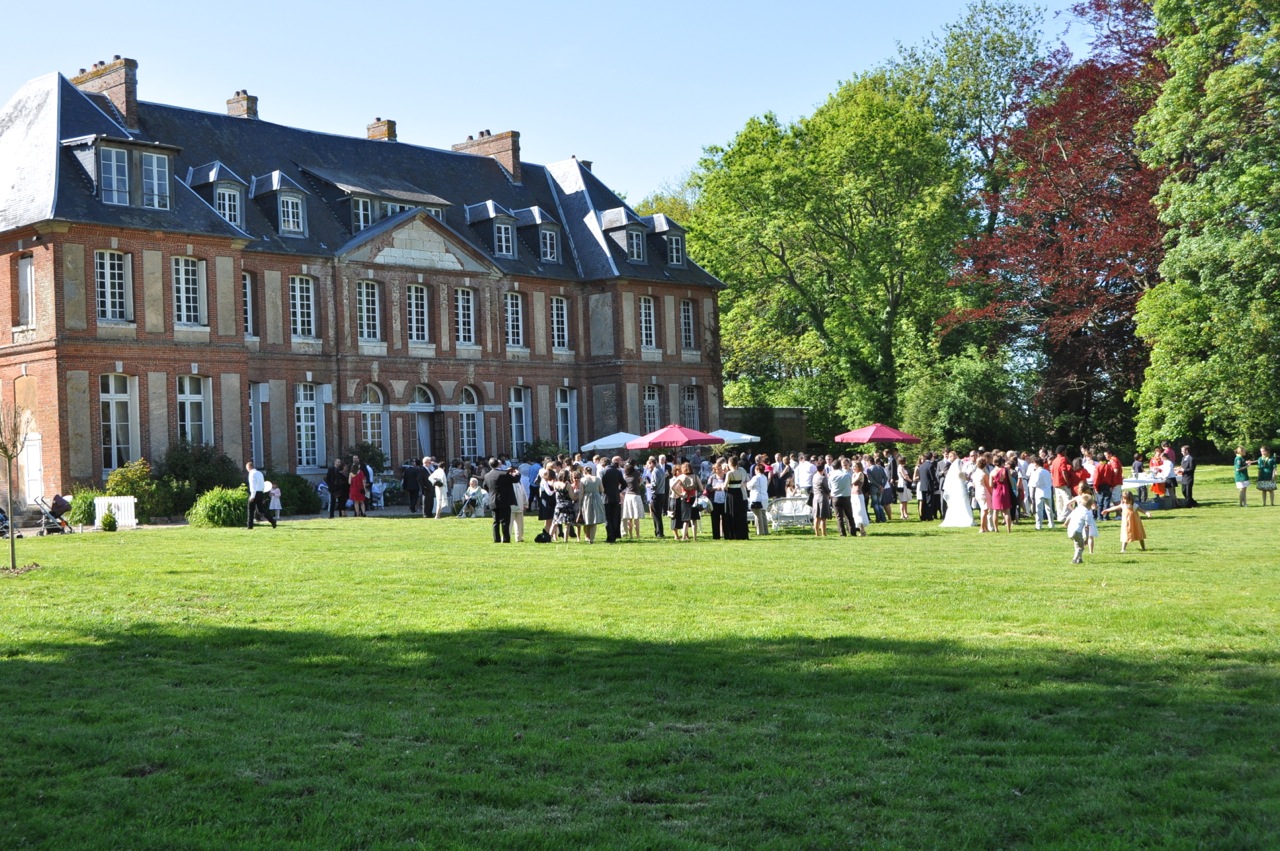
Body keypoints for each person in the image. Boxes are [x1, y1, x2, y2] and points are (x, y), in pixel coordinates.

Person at [483, 457, 516, 543]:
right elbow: (515, 480)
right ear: (498, 464)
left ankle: (496, 539)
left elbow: (485, 486)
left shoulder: (487, 475)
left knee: (495, 521)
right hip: (504, 499)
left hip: (493, 499)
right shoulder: (503, 474)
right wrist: (517, 473)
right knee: (505, 520)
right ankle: (505, 539)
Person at [940, 451, 974, 528]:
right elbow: (960, 474)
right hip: (960, 486)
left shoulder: (953, 464)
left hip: (956, 486)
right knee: (963, 501)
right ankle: (964, 518)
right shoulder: (958, 462)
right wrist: (967, 477)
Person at [670, 462, 700, 542]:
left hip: (685, 498)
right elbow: (701, 487)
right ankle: (694, 538)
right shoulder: (695, 476)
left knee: (686, 520)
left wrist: (679, 494)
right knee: (694, 520)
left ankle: (683, 537)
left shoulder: (681, 477)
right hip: (693, 498)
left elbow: (672, 487)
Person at [1065, 493, 1097, 564]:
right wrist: (1087, 538)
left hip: (1070, 530)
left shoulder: (1077, 509)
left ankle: (1080, 559)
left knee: (1077, 544)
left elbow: (1069, 517)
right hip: (1077, 532)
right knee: (1081, 547)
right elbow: (1087, 527)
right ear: (1090, 505)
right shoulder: (1087, 513)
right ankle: (1074, 559)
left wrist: (1066, 524)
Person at [578, 463, 606, 543]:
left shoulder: (583, 480)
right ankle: (592, 539)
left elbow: (581, 493)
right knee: (594, 519)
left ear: (584, 472)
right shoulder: (597, 479)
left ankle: (587, 537)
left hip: (587, 498)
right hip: (597, 498)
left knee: (587, 517)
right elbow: (602, 490)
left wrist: (580, 503)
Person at [601, 456, 625, 543]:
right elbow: (624, 484)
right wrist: (618, 490)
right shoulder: (617, 471)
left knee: (608, 518)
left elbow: (601, 485)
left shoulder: (603, 472)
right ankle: (615, 534)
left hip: (606, 497)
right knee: (615, 517)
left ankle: (610, 536)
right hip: (615, 497)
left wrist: (603, 491)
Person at [829, 457, 855, 537]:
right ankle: (852, 531)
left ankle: (842, 533)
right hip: (846, 496)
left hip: (836, 497)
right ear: (840, 466)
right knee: (849, 515)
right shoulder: (846, 475)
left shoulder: (831, 476)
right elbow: (850, 484)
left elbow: (830, 487)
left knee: (839, 517)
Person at [621, 458, 646, 540]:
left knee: (629, 517)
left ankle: (631, 535)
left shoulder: (625, 473)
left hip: (628, 495)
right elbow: (640, 481)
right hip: (635, 495)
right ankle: (637, 535)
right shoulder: (637, 473)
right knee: (636, 517)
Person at [245, 460, 275, 529]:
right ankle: (272, 520)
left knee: (250, 509)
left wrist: (252, 496)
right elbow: (262, 484)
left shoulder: (251, 474)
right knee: (260, 510)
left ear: (248, 467)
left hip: (254, 492)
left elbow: (253, 485)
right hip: (261, 492)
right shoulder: (260, 473)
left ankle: (250, 526)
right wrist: (262, 493)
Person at [1028, 457, 1054, 530]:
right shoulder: (1047, 471)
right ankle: (1051, 523)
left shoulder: (1037, 472)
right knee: (1049, 509)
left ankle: (1038, 525)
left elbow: (1035, 483)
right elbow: (1050, 482)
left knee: (1039, 509)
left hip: (1040, 491)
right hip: (1048, 491)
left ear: (1036, 463)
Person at [989, 456, 1013, 533]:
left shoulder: (992, 472)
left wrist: (995, 482)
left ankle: (996, 529)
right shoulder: (1006, 470)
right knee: (1007, 511)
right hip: (1005, 490)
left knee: (995, 511)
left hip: (996, 491)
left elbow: (990, 485)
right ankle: (1008, 529)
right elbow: (1011, 481)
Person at [1050, 446, 1072, 522]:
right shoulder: (1063, 459)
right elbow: (1064, 471)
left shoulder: (1055, 460)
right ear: (1062, 451)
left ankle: (1060, 517)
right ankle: (1065, 516)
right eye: (1065, 451)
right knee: (1068, 500)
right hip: (1062, 482)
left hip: (1055, 483)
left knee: (1059, 501)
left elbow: (1052, 472)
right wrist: (1067, 482)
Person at [649, 456, 669, 538]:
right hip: (662, 494)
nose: (648, 466)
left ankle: (659, 532)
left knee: (656, 515)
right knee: (658, 514)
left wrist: (648, 485)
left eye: (648, 464)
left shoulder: (655, 471)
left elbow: (654, 484)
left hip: (656, 494)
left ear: (652, 463)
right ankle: (658, 532)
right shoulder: (661, 470)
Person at [748, 462, 770, 535]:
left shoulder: (756, 477)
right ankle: (765, 531)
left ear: (757, 469)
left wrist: (746, 483)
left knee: (758, 515)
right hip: (764, 497)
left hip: (757, 498)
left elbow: (749, 486)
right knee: (763, 515)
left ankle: (760, 532)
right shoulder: (764, 477)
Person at [810, 461, 832, 537]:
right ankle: (824, 533)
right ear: (823, 469)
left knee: (816, 517)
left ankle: (817, 533)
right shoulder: (823, 478)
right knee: (823, 518)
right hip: (823, 498)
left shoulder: (814, 476)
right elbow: (827, 488)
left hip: (815, 498)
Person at [508, 467, 527, 542]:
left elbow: (523, 493)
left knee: (520, 524)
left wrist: (525, 503)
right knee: (509, 523)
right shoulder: (508, 482)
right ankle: (507, 536)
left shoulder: (519, 482)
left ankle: (519, 538)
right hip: (510, 506)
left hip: (519, 505)